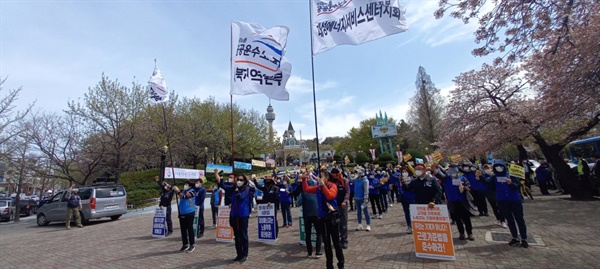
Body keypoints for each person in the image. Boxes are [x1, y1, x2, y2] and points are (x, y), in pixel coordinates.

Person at [303, 170, 345, 269]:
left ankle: (341, 264)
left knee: (336, 242)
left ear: (327, 177)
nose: (320, 178)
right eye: (319, 177)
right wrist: (304, 178)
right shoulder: (318, 188)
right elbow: (306, 189)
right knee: (326, 243)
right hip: (322, 218)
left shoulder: (332, 185)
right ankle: (329, 265)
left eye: (322, 177)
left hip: (332, 217)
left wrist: (324, 186)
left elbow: (330, 195)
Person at [491, 161, 529, 248]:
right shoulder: (495, 177)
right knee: (510, 220)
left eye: (500, 166)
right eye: (497, 166)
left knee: (519, 219)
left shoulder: (511, 175)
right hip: (503, 201)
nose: (499, 168)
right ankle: (515, 237)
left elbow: (517, 186)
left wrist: (510, 183)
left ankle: (524, 239)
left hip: (514, 200)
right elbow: (489, 185)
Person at [439, 166, 474, 241]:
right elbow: (439, 175)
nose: (453, 174)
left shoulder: (462, 178)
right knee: (458, 219)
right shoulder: (447, 179)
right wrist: (436, 168)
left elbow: (468, 185)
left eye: (455, 172)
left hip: (463, 201)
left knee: (466, 218)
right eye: (452, 173)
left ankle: (470, 233)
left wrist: (464, 187)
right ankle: (461, 233)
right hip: (453, 201)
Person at [297, 172, 323, 258]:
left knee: (307, 234)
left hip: (306, 215)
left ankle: (309, 253)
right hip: (316, 214)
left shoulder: (303, 192)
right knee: (319, 232)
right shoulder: (317, 191)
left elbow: (298, 203)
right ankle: (318, 252)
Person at [230, 174, 252, 263]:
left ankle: (244, 254)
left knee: (243, 235)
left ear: (245, 181)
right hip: (234, 214)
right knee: (237, 236)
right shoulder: (234, 189)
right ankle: (239, 253)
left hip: (243, 215)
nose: (239, 181)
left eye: (241, 180)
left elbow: (241, 197)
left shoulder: (246, 189)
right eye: (237, 179)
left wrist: (236, 192)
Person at [331, 168, 350, 249]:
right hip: (334, 205)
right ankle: (337, 240)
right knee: (336, 223)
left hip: (342, 205)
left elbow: (348, 192)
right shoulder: (332, 182)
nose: (333, 175)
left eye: (334, 174)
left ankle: (344, 240)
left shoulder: (344, 181)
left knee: (343, 223)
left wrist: (345, 201)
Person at [175, 181, 197, 253]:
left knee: (190, 229)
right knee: (183, 229)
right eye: (185, 184)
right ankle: (185, 244)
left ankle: (192, 245)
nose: (185, 186)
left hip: (189, 212)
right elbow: (178, 191)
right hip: (182, 212)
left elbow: (184, 196)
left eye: (186, 184)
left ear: (190, 186)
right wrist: (167, 185)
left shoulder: (193, 191)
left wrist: (178, 191)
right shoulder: (184, 191)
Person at [398, 168, 415, 234]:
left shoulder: (412, 179)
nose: (404, 173)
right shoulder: (400, 180)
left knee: (413, 212)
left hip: (412, 197)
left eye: (406, 171)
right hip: (404, 198)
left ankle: (414, 225)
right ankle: (409, 226)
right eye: (403, 172)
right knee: (406, 212)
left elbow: (409, 188)